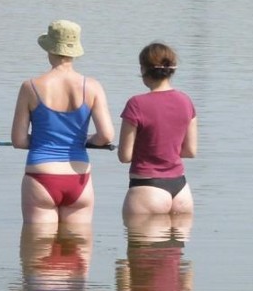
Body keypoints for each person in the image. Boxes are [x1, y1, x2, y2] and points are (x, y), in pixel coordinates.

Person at [11, 19, 115, 223]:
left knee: (38, 251)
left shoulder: (30, 87)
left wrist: (43, 140)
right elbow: (106, 136)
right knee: (78, 250)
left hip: (41, 175)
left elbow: (19, 141)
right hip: (79, 178)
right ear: (75, 51)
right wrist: (85, 140)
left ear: (49, 49)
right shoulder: (93, 87)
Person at [118, 41, 198, 218]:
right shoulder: (186, 101)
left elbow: (125, 156)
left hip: (147, 188)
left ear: (143, 69)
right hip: (181, 190)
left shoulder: (136, 104)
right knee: (174, 247)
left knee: (143, 246)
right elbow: (190, 151)